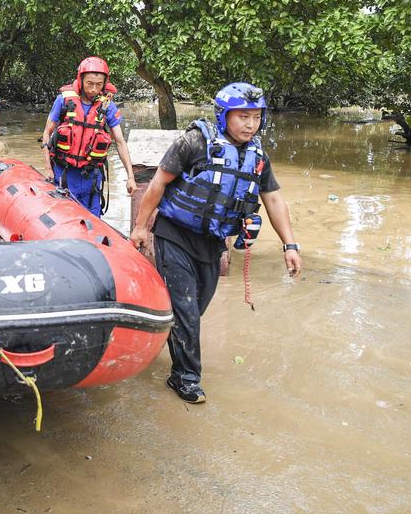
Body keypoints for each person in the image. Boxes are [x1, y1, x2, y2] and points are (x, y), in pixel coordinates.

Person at [129, 82, 302, 404]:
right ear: (223, 116)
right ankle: (185, 378)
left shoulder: (257, 156)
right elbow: (157, 184)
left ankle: (154, 338)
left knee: (194, 309)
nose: (250, 124)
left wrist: (290, 245)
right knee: (187, 311)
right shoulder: (194, 143)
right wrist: (141, 227)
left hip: (212, 243)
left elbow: (274, 200)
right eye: (243, 117)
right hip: (174, 234)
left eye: (256, 117)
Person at [41, 57, 138, 216]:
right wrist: (47, 168)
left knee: (93, 221)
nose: (94, 89)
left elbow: (120, 143)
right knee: (63, 218)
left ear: (105, 83)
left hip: (91, 177)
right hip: (64, 172)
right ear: (80, 79)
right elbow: (47, 133)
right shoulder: (64, 101)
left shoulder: (107, 106)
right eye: (89, 83)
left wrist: (130, 177)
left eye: (99, 84)